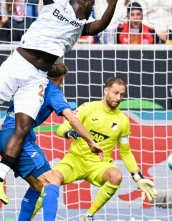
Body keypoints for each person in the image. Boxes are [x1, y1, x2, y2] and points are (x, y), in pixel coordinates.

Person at [0, 0, 120, 206]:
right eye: (92, 5)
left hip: (36, 77)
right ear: (83, 2)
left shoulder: (80, 27)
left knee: (24, 127)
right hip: (17, 64)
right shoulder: (55, 5)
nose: (93, 10)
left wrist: (114, 0)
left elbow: (100, 26)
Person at [0, 62, 102, 221]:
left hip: (4, 138)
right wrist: (91, 142)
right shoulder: (54, 92)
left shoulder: (27, 81)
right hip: (19, 139)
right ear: (60, 78)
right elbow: (72, 119)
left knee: (37, 185)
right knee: (52, 180)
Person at [26, 77, 157, 221]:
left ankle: (88, 215)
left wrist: (138, 177)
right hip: (75, 161)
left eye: (122, 94)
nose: (118, 98)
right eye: (115, 93)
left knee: (116, 176)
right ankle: (26, 218)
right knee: (51, 181)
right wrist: (69, 133)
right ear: (106, 90)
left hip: (99, 164)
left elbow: (125, 151)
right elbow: (61, 128)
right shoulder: (87, 108)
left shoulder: (123, 121)